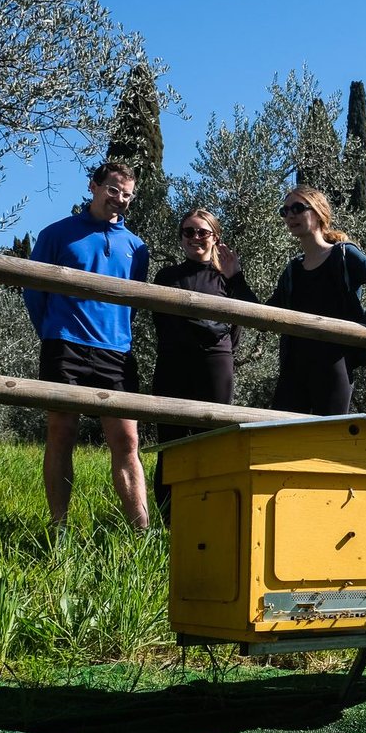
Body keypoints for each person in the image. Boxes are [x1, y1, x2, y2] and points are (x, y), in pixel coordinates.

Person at [23, 162, 150, 529]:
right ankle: (58, 527)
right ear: (93, 186)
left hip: (116, 351)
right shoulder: (56, 234)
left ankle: (140, 530)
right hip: (65, 344)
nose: (119, 199)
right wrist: (51, 330)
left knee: (127, 440)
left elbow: (136, 301)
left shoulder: (137, 247)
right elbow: (34, 290)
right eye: (113, 190)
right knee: (61, 432)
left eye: (127, 194)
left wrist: (119, 332)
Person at [151, 208, 260, 523]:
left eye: (202, 232)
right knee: (169, 445)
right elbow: (162, 322)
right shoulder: (167, 276)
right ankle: (169, 523)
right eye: (188, 232)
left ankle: (210, 520)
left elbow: (248, 316)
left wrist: (235, 275)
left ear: (215, 237)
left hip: (214, 364)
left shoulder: (226, 278)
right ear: (181, 238)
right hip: (172, 364)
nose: (195, 237)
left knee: (212, 441)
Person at [269, 186, 366, 414]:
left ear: (319, 213)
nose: (290, 215)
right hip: (293, 368)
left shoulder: (344, 255)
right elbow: (266, 313)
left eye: (298, 208)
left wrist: (361, 333)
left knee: (329, 440)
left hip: (334, 365)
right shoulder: (292, 270)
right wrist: (235, 279)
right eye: (285, 210)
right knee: (282, 440)